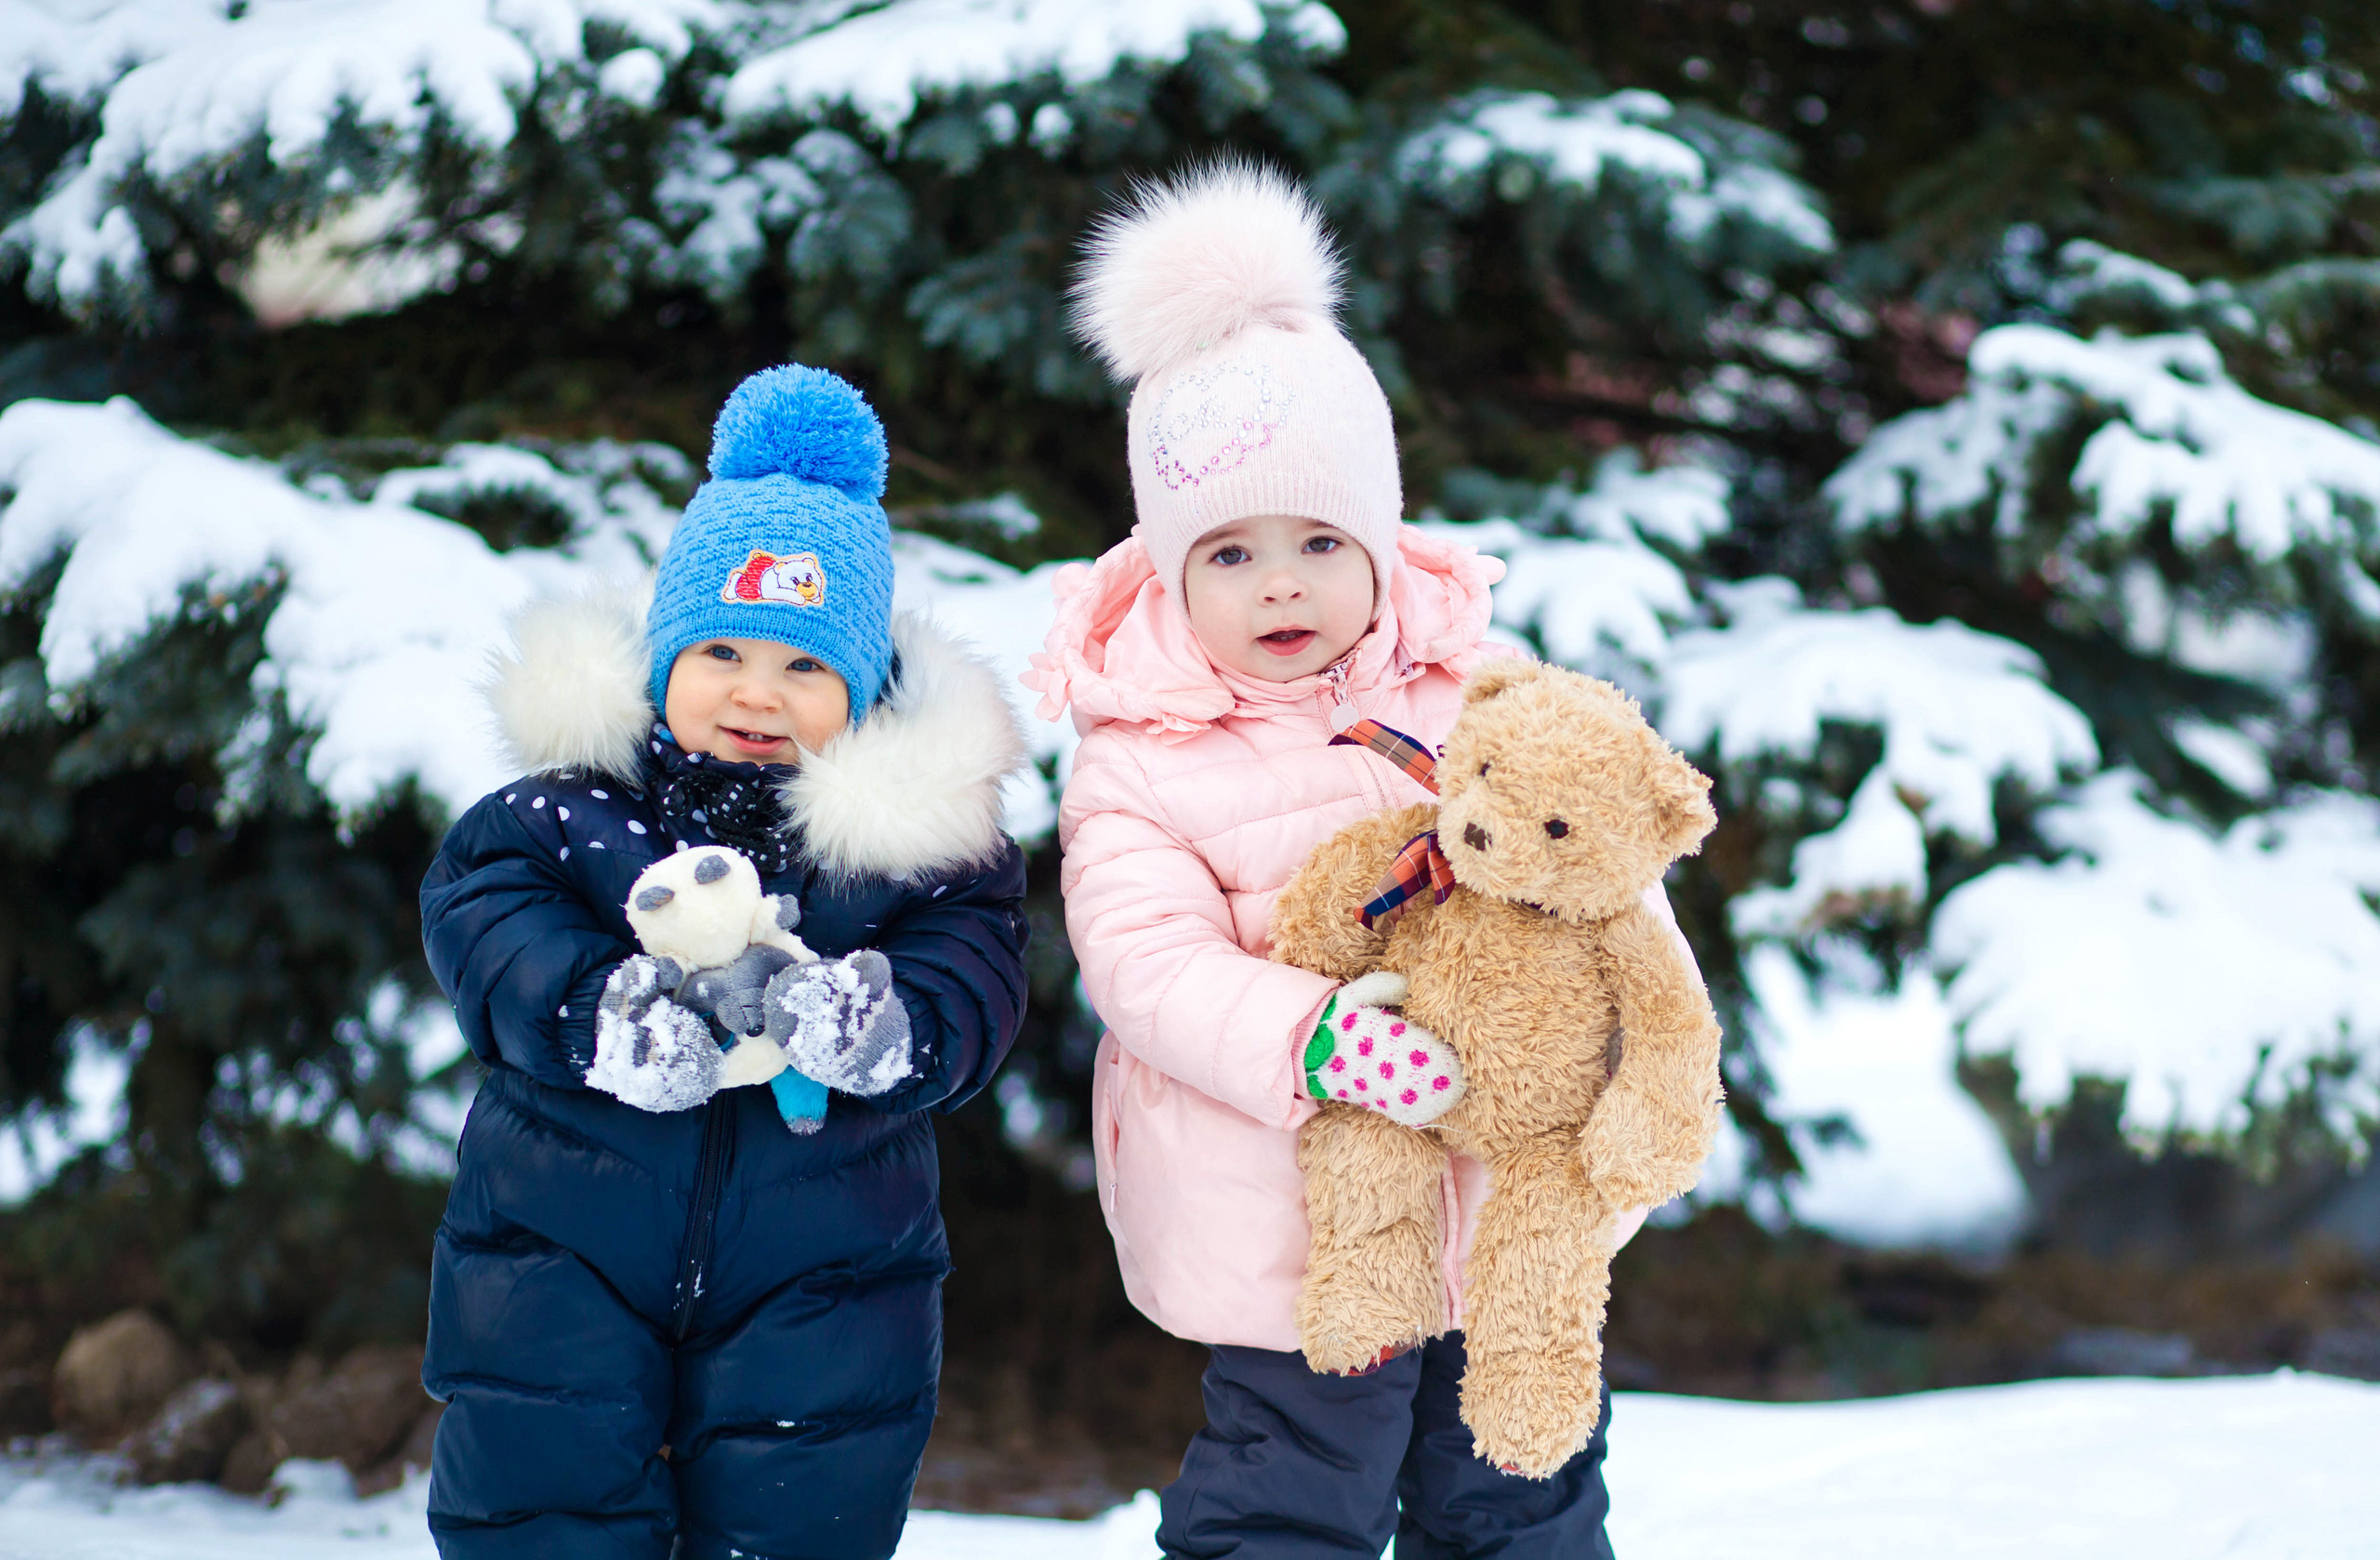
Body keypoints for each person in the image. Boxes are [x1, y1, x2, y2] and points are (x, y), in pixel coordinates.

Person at [1028, 164, 1693, 1558]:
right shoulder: (1143, 752)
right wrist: (1314, 1036)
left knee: (1520, 1486)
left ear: (1380, 541)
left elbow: (1606, 883)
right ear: (1168, 567)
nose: (1282, 583)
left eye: (1321, 540)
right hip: (1286, 1221)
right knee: (1292, 1490)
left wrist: (1652, 1057)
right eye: (1232, 552)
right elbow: (1144, 964)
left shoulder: (1479, 693)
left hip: (1513, 1199)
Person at [417, 364, 1030, 1560]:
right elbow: (484, 921)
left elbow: (977, 971)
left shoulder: (912, 853)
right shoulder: (565, 816)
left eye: (806, 666)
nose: (758, 693)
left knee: (803, 1514)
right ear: (662, 660)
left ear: (862, 689)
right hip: (558, 1249)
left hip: (828, 1270)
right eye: (723, 652)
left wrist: (885, 1026)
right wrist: (599, 1011)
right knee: (541, 1504)